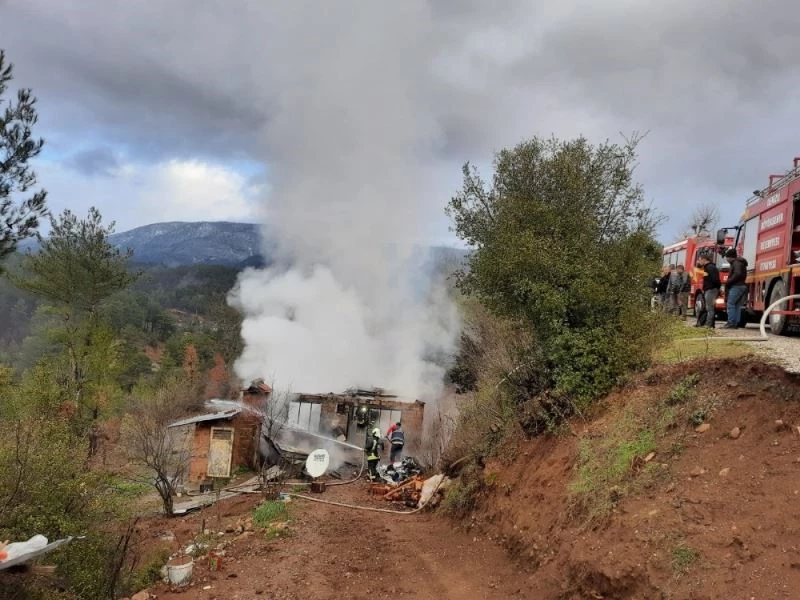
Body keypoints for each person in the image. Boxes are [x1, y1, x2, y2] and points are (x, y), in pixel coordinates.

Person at [724, 248, 748, 329]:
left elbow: (737, 273)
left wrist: (729, 281)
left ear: (730, 257)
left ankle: (731, 322)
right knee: (736, 305)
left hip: (736, 286)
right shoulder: (740, 262)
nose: (726, 259)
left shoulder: (736, 263)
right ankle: (736, 322)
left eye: (727, 257)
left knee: (730, 304)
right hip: (741, 286)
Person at [696, 253, 721, 329]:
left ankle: (709, 324)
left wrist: (714, 288)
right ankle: (709, 324)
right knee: (708, 307)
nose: (698, 262)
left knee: (709, 307)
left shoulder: (710, 267)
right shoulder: (708, 267)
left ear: (704, 260)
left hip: (711, 290)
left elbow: (715, 280)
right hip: (710, 289)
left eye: (699, 260)